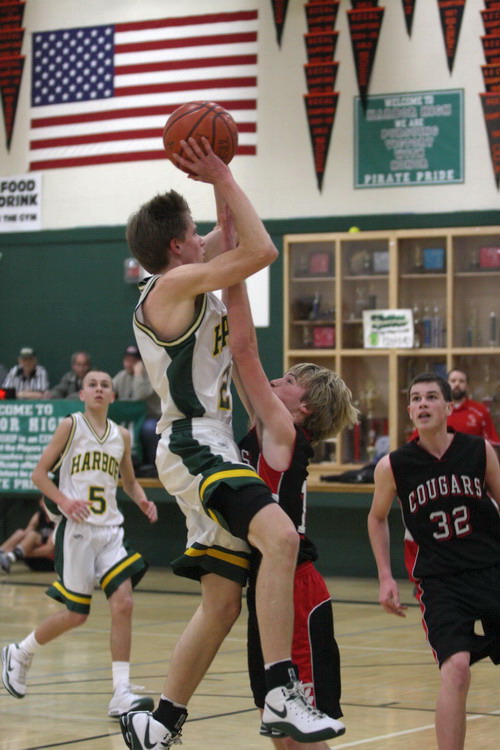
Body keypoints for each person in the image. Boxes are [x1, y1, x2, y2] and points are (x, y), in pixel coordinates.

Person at [119, 137, 343, 749]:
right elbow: (260, 250)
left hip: (204, 444)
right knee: (282, 537)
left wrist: (221, 184)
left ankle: (160, 721)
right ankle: (281, 691)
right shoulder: (171, 287)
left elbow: (234, 234)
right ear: (177, 247)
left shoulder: (185, 276)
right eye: (193, 234)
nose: (203, 238)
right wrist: (220, 172)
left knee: (221, 603)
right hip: (196, 443)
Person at [224, 266, 359, 750]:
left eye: (287, 381)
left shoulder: (283, 433)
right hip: (265, 588)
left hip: (295, 588)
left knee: (302, 735)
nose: (274, 382)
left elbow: (245, 351)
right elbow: (238, 360)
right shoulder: (264, 429)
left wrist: (234, 268)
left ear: (304, 409)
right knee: (281, 730)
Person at [1, 369, 159, 719]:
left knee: (124, 603)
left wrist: (143, 501)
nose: (99, 389)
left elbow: (129, 482)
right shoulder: (70, 426)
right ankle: (19, 652)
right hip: (76, 531)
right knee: (77, 614)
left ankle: (121, 692)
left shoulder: (121, 435)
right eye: (92, 384)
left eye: (105, 385)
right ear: (83, 394)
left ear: (113, 396)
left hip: (111, 530)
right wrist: (65, 501)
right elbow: (39, 474)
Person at [367, 372, 500, 750]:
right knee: (456, 669)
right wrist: (385, 577)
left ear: (448, 406)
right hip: (440, 581)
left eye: (430, 397)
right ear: (409, 410)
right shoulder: (393, 465)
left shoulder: (479, 450)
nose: (422, 403)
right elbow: (376, 518)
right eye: (416, 398)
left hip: (491, 569)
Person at [408, 368, 500, 444]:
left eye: (461, 381)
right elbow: (414, 442)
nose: (457, 384)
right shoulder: (437, 410)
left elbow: (492, 443)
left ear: (467, 386)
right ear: (446, 385)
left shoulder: (480, 410)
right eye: (453, 381)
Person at [112, 345, 161, 471]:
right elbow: (110, 391)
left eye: (133, 361)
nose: (129, 364)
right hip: (129, 420)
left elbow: (139, 396)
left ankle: (154, 466)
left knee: (149, 429)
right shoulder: (121, 376)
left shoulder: (149, 375)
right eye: (127, 360)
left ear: (140, 362)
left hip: (150, 418)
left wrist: (138, 374)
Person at [0, 497, 55, 574]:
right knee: (20, 533)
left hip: (50, 561)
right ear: (40, 503)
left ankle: (9, 556)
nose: (45, 504)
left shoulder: (56, 519)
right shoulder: (39, 516)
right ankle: (2, 553)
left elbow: (48, 550)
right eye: (44, 501)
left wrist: (21, 553)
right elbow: (26, 534)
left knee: (33, 535)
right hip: (34, 559)